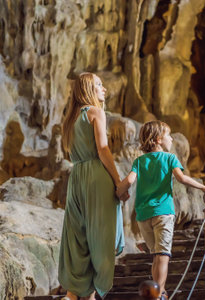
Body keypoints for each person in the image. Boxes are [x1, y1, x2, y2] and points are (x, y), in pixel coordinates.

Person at [116, 121, 205, 299]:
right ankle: (159, 293)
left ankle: (156, 291)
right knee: (163, 254)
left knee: (156, 254)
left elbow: (130, 181)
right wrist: (203, 188)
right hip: (163, 212)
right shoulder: (170, 158)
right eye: (168, 135)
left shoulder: (139, 161)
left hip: (143, 215)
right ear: (158, 140)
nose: (171, 138)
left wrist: (118, 192)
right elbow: (181, 178)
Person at [59, 72, 127, 300]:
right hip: (97, 177)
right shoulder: (96, 112)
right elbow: (103, 150)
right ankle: (92, 294)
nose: (104, 89)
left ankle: (72, 294)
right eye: (99, 85)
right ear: (89, 89)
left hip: (77, 177)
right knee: (100, 237)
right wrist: (118, 181)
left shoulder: (69, 119)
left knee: (78, 236)